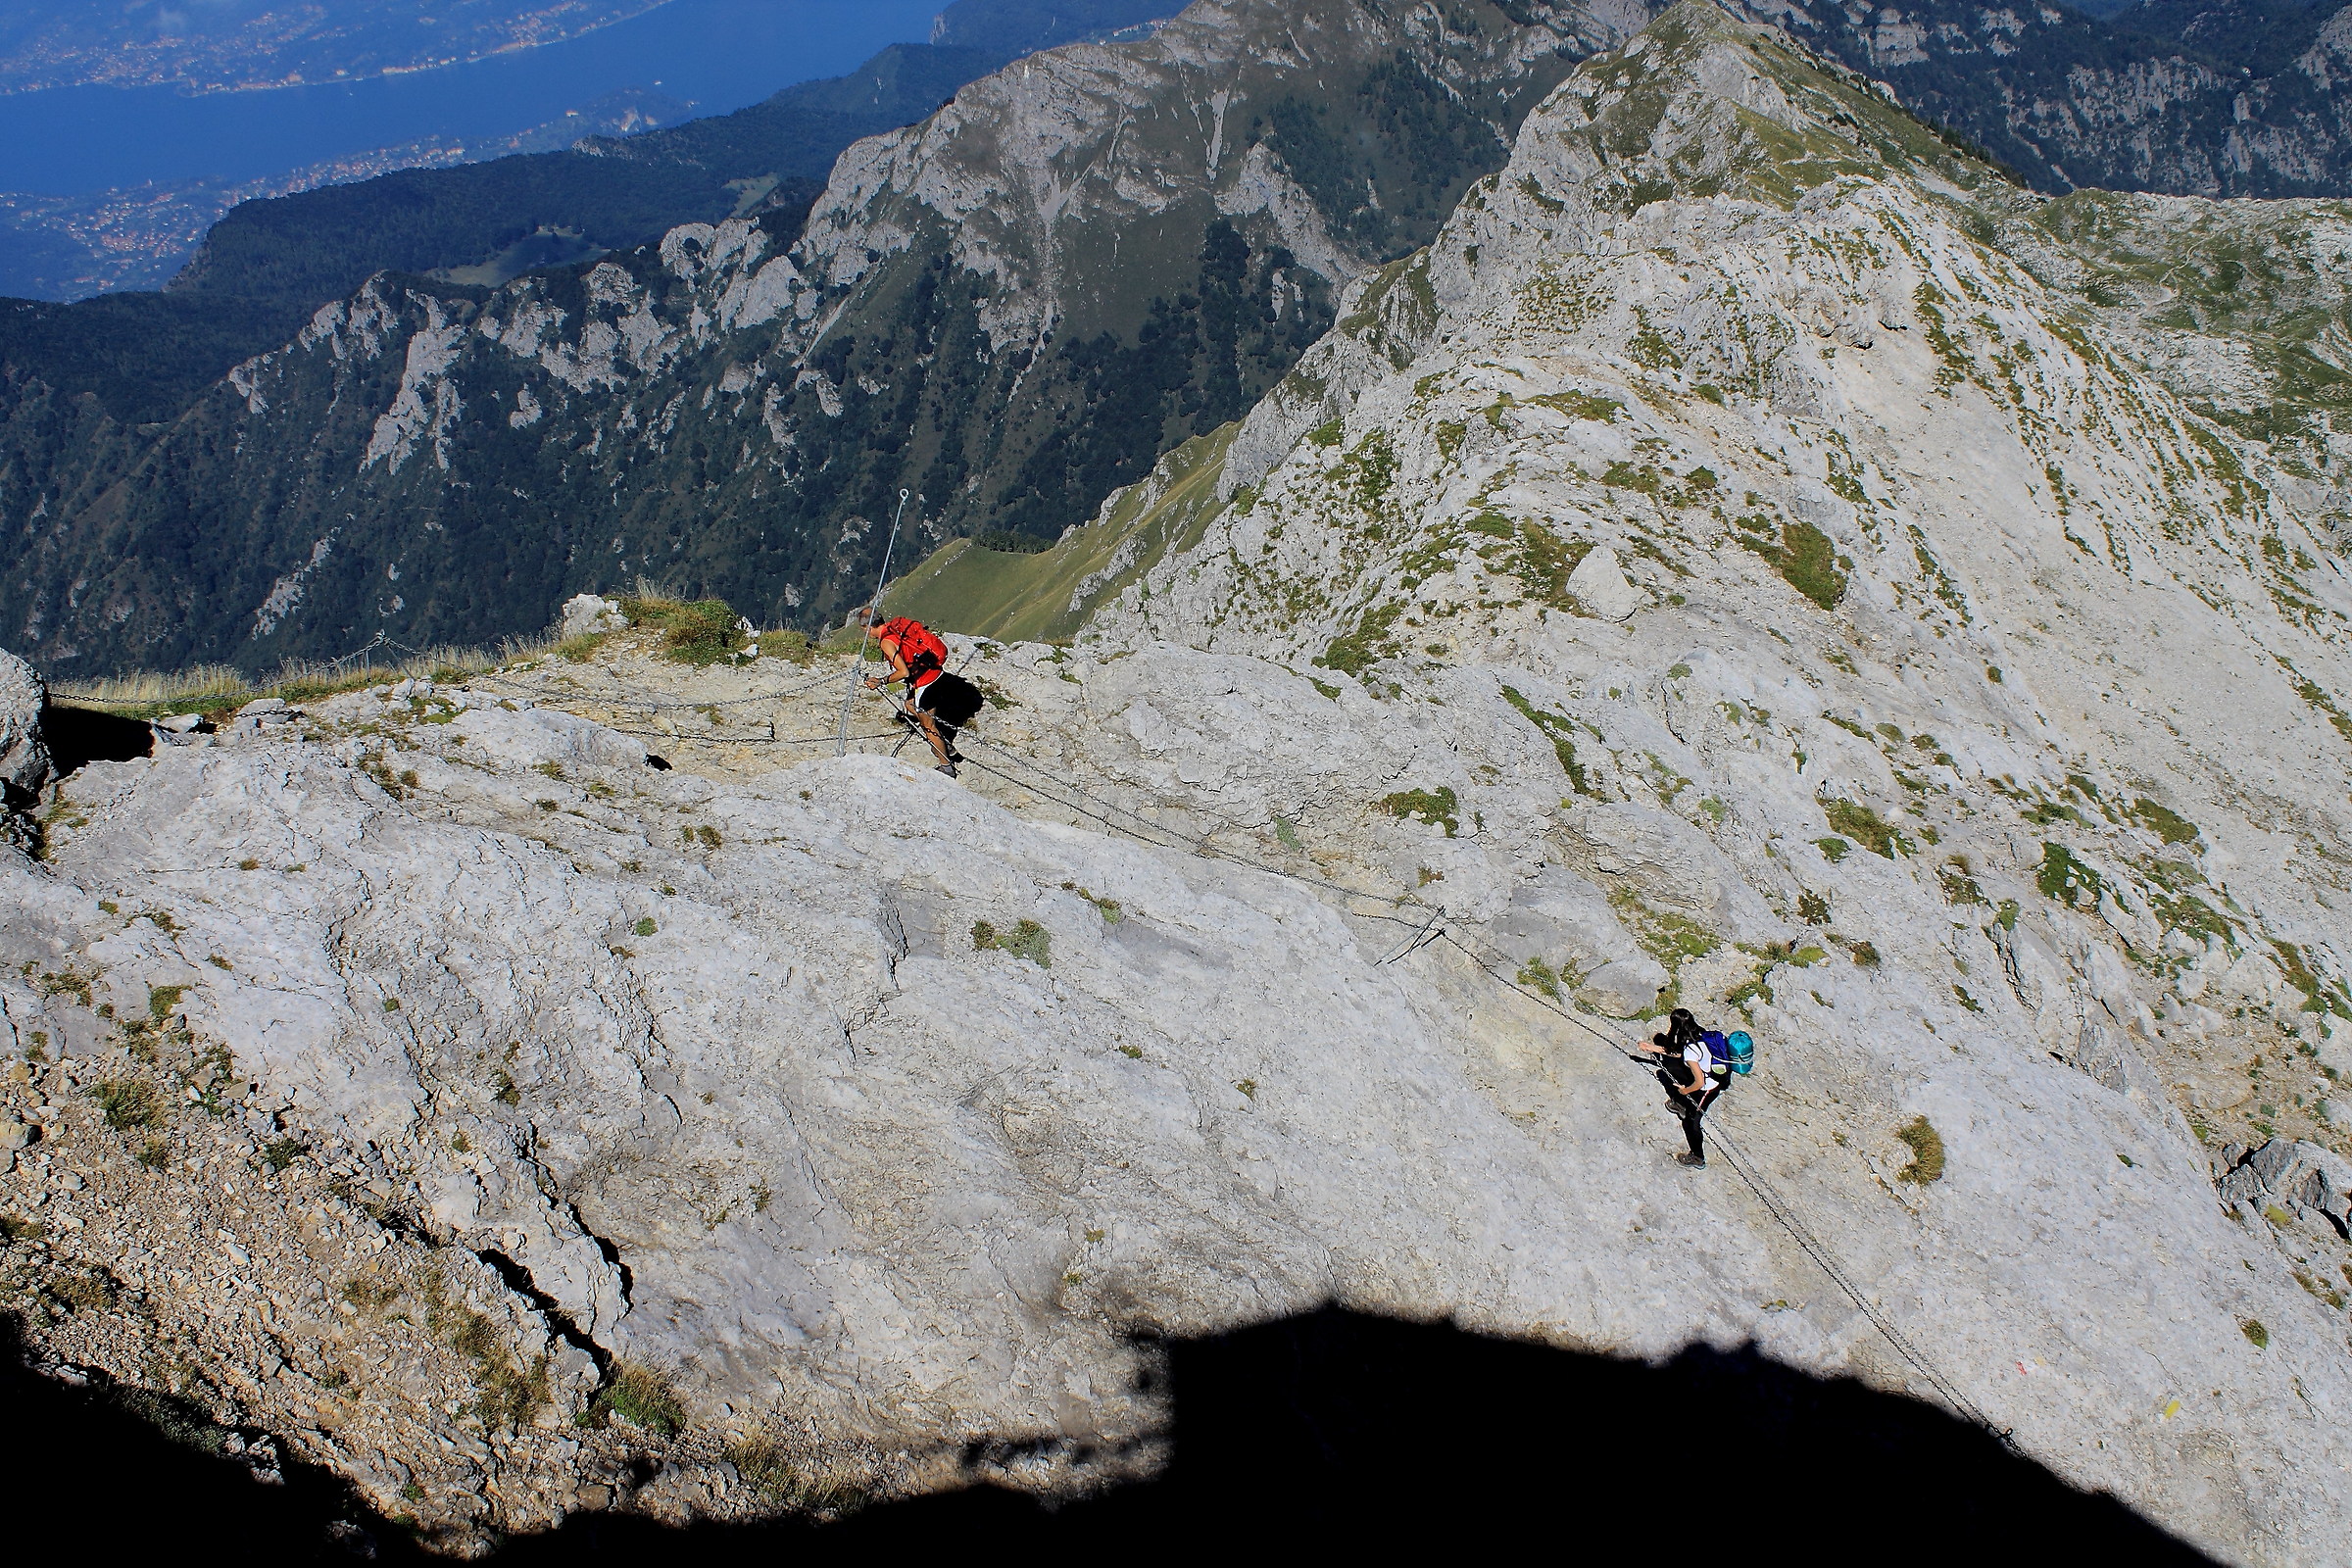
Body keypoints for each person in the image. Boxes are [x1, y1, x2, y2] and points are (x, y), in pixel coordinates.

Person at [857, 608, 984, 777]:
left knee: (928, 727)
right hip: (935, 673)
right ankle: (944, 744)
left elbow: (903, 672)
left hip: (925, 683)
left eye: (863, 629)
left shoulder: (886, 642)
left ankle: (947, 767)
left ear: (868, 627)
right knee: (909, 704)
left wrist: (881, 681)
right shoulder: (895, 627)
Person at [1638, 1005, 1730, 1168]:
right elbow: (1678, 1053)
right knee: (1672, 1068)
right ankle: (1681, 1104)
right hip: (1708, 1077)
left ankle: (1698, 1157)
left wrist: (1683, 1091)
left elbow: (1700, 1082)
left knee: (1691, 1122)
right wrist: (1650, 1048)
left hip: (1708, 1089)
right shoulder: (1699, 1034)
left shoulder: (1690, 1050)